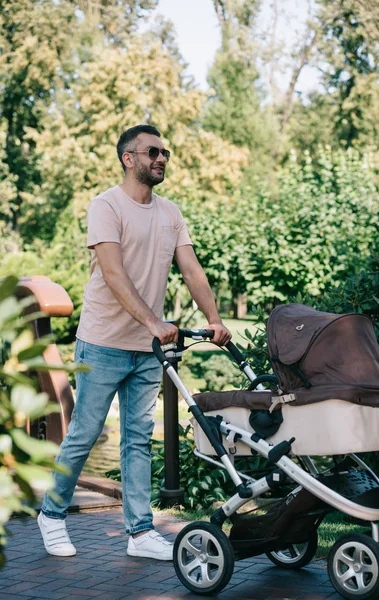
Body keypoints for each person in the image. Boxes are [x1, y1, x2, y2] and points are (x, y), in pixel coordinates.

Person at [37, 124, 231, 561]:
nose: (162, 158)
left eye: (165, 152)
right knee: (84, 432)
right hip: (103, 341)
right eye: (153, 152)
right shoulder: (106, 205)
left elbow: (192, 271)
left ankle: (140, 532)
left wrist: (215, 320)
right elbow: (113, 273)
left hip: (147, 348)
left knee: (138, 438)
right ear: (129, 158)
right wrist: (153, 321)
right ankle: (51, 514)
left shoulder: (171, 212)